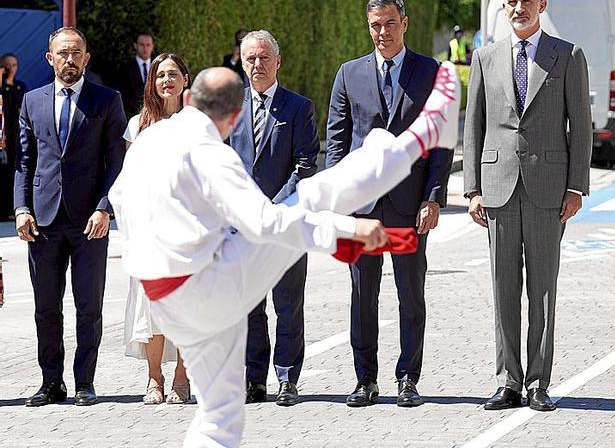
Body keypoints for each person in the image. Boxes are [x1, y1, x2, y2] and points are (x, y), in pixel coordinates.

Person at [109, 63, 459, 447]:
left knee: (219, 417)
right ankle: (422, 134)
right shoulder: (212, 153)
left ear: (190, 99)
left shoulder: (149, 139)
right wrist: (346, 229)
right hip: (205, 288)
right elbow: (265, 224)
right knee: (313, 197)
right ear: (235, 115)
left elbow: (119, 195)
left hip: (163, 295)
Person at [462, 0, 591, 412]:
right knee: (503, 287)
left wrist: (576, 186)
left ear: (542, 5)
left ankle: (538, 382)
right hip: (497, 188)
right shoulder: (485, 58)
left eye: (526, 1)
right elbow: (473, 125)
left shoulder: (567, 55)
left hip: (548, 189)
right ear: (504, 7)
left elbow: (581, 127)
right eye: (512, 2)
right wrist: (472, 189)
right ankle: (508, 380)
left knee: (543, 290)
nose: (519, 8)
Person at [326, 0, 452, 409]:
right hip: (363, 210)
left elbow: (440, 142)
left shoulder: (430, 71)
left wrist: (433, 197)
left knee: (409, 295)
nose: (382, 32)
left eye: (389, 23)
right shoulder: (349, 74)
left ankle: (408, 379)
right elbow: (337, 142)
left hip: (409, 207)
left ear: (405, 22)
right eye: (375, 25)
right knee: (363, 296)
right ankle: (366, 380)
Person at [14, 26, 127, 407]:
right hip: (43, 222)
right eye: (63, 53)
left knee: (88, 306)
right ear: (50, 59)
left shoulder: (107, 100)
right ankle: (51, 383)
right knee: (46, 307)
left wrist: (104, 208)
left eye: (76, 52)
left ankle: (84, 383)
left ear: (86, 58)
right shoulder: (31, 101)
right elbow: (24, 162)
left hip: (88, 223)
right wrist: (21, 208)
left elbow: (117, 163)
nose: (70, 59)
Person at [228, 30, 320, 406]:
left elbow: (305, 163)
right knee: (250, 307)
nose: (257, 65)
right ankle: (254, 379)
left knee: (287, 305)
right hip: (241, 225)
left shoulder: (298, 107)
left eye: (264, 58)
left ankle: (287, 378)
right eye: (250, 58)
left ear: (278, 62)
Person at [122, 53, 191, 405]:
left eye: (173, 74)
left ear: (185, 80)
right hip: (149, 230)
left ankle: (182, 375)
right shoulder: (138, 125)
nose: (167, 80)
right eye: (160, 74)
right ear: (153, 82)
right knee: (151, 307)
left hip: (188, 231)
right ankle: (154, 378)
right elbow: (128, 179)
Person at [1, 53, 27, 219]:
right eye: (8, 65)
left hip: (15, 136)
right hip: (2, 136)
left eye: (15, 65)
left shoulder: (19, 86)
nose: (12, 69)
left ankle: (11, 209)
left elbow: (20, 109)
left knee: (12, 172)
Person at [119, 33, 155, 116]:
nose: (145, 48)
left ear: (152, 46)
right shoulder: (125, 68)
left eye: (148, 45)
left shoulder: (159, 66)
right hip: (131, 115)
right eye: (142, 45)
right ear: (135, 46)